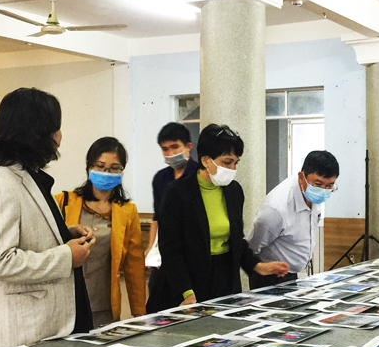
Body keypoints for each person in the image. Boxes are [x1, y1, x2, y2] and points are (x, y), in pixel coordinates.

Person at [0, 87, 95, 347]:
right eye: (56, 128)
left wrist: (65, 234)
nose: (60, 138)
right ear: (37, 133)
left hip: (50, 326)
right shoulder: (2, 184)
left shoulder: (30, 178)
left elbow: (29, 235)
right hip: (22, 334)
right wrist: (66, 256)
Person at [146, 124, 289, 312]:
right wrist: (186, 292)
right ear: (206, 160)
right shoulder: (176, 193)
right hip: (187, 281)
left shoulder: (234, 191)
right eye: (227, 162)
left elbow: (237, 240)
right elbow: (171, 249)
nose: (232, 168)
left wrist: (258, 266)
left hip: (224, 280)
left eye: (236, 163)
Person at [54, 137, 146, 327]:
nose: (107, 172)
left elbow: (134, 267)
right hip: (66, 302)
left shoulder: (127, 211)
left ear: (122, 171)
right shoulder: (63, 202)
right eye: (100, 166)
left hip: (104, 306)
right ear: (89, 167)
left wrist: (139, 314)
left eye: (114, 168)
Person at [246, 150, 339, 289]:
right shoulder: (275, 209)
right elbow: (252, 247)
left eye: (329, 186)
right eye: (318, 185)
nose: (323, 191)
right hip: (270, 278)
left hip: (293, 275)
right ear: (302, 177)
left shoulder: (311, 193)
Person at [145, 122, 198, 256]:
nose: (170, 153)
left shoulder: (200, 175)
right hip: (166, 247)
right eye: (165, 149)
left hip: (194, 246)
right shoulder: (160, 178)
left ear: (188, 146)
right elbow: (157, 216)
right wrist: (151, 247)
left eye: (175, 147)